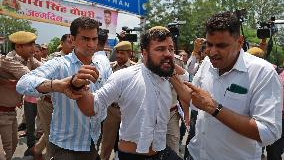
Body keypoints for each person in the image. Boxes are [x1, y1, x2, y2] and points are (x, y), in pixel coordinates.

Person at [36, 26, 185, 160]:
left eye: (171, 49)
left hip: (162, 152)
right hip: (132, 156)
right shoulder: (125, 76)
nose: (168, 54)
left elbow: (189, 96)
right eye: (160, 49)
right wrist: (77, 86)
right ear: (144, 53)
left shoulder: (169, 76)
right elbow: (92, 107)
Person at [171, 11, 282, 160]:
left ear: (240, 42)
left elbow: (268, 132)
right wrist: (170, 73)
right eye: (209, 44)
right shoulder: (207, 63)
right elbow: (195, 100)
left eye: (221, 46)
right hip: (197, 155)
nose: (212, 52)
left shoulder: (262, 72)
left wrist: (214, 108)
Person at [16, 17, 110, 160]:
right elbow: (23, 84)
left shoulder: (101, 65)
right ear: (72, 39)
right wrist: (57, 85)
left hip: (92, 141)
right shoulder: (60, 64)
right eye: (85, 39)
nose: (91, 44)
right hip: (65, 146)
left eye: (94, 39)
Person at [0, 31, 41, 160]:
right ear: (18, 46)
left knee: (13, 144)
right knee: (6, 150)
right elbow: (31, 77)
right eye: (30, 44)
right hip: (2, 112)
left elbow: (43, 68)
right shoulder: (9, 60)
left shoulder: (28, 58)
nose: (34, 48)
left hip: (10, 112)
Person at [100, 40, 135, 160]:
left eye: (122, 53)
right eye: (117, 53)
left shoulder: (136, 69)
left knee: (128, 143)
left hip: (129, 112)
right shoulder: (109, 67)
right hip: (111, 110)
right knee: (106, 144)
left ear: (130, 53)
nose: (119, 56)